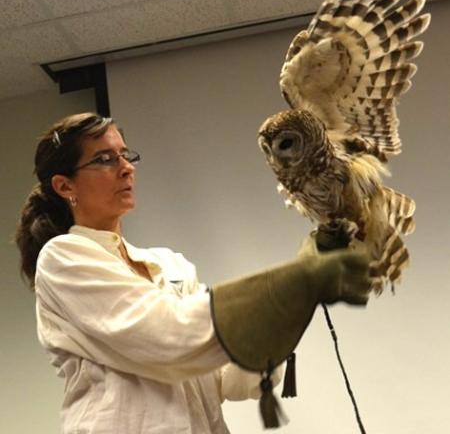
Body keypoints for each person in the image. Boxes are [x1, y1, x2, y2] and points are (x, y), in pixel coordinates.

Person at [16, 112, 373, 433]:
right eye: (105, 159)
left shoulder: (170, 264)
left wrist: (291, 309)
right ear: (65, 186)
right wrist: (292, 283)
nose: (126, 167)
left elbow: (228, 378)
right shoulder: (63, 259)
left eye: (126, 154)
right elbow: (167, 336)